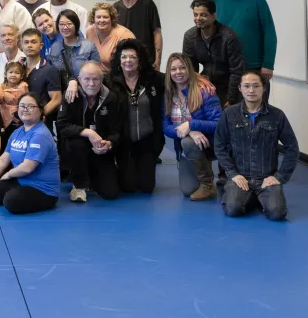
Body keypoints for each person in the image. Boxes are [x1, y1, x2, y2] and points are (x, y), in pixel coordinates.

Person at [215, 70, 298, 221]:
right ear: (240, 88)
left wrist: (279, 177)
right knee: (233, 209)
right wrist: (232, 173)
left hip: (266, 178)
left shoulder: (277, 115)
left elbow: (292, 148)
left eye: (256, 86)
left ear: (263, 88)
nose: (251, 90)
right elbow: (219, 145)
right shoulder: (229, 114)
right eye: (246, 86)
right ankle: (251, 197)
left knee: (277, 213)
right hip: (240, 176)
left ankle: (258, 197)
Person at [0, 93, 60, 214]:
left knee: (11, 201)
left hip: (43, 189)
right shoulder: (18, 132)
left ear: (40, 111)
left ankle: (34, 199)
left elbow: (28, 167)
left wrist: (8, 175)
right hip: (21, 181)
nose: (25, 109)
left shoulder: (40, 135)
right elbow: (3, 160)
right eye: (22, 106)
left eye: (30, 106)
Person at [57, 62, 124, 203]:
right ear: (79, 80)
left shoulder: (111, 98)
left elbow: (116, 130)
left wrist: (109, 144)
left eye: (96, 79)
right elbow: (62, 126)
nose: (91, 84)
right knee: (76, 143)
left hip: (100, 149)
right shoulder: (70, 95)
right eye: (87, 79)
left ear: (102, 80)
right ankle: (79, 185)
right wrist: (87, 132)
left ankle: (93, 176)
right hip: (76, 148)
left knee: (111, 193)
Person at [163, 53, 223, 201]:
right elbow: (165, 126)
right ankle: (201, 165)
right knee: (187, 190)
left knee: (188, 142)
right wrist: (190, 132)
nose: (178, 72)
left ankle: (207, 184)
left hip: (209, 143)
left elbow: (219, 123)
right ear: (169, 72)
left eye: (182, 68)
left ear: (189, 69)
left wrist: (191, 125)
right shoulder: (167, 95)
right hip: (187, 146)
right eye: (174, 69)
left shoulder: (204, 90)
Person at [109, 39, 165, 195]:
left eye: (133, 57)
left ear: (140, 59)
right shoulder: (110, 81)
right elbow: (89, 80)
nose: (128, 61)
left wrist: (200, 80)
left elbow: (178, 78)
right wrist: (73, 81)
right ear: (119, 60)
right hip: (124, 142)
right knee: (128, 187)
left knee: (147, 187)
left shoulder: (154, 79)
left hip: (147, 141)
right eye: (124, 57)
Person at [212, 0, 277, 86]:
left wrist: (268, 64)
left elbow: (269, 33)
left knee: (257, 105)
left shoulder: (257, 0)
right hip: (225, 68)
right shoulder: (214, 2)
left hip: (254, 67)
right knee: (228, 105)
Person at [183, 0, 246, 107]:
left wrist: (231, 99)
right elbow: (190, 68)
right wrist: (195, 89)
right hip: (205, 84)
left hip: (228, 86)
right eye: (195, 15)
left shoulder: (229, 37)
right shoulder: (190, 36)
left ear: (213, 16)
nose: (198, 18)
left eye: (203, 15)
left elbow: (237, 71)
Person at [112, 0, 163, 69]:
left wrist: (158, 60)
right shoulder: (115, 8)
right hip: (125, 63)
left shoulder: (148, 4)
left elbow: (157, 32)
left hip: (147, 61)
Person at [49, 9, 100, 100]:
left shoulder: (89, 46)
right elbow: (51, 73)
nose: (65, 27)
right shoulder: (55, 47)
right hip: (61, 98)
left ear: (76, 25)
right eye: (61, 24)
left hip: (85, 96)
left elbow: (96, 74)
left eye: (69, 23)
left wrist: (75, 81)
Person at [18, 29, 62, 130]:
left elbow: (57, 99)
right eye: (26, 42)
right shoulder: (17, 68)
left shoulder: (49, 70)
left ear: (41, 45)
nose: (29, 45)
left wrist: (38, 115)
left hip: (41, 125)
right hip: (19, 123)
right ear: (21, 46)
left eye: (33, 42)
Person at [85, 2, 135, 74]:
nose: (102, 20)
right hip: (95, 76)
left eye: (105, 17)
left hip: (117, 77)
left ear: (112, 18)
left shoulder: (124, 35)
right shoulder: (90, 31)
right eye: (98, 17)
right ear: (93, 19)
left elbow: (131, 63)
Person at [0, 61, 28, 147]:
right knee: (3, 139)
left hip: (17, 118)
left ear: (21, 76)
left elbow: (27, 101)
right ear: (5, 74)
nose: (13, 75)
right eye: (10, 72)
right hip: (2, 116)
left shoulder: (23, 86)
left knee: (15, 139)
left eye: (17, 73)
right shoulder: (1, 87)